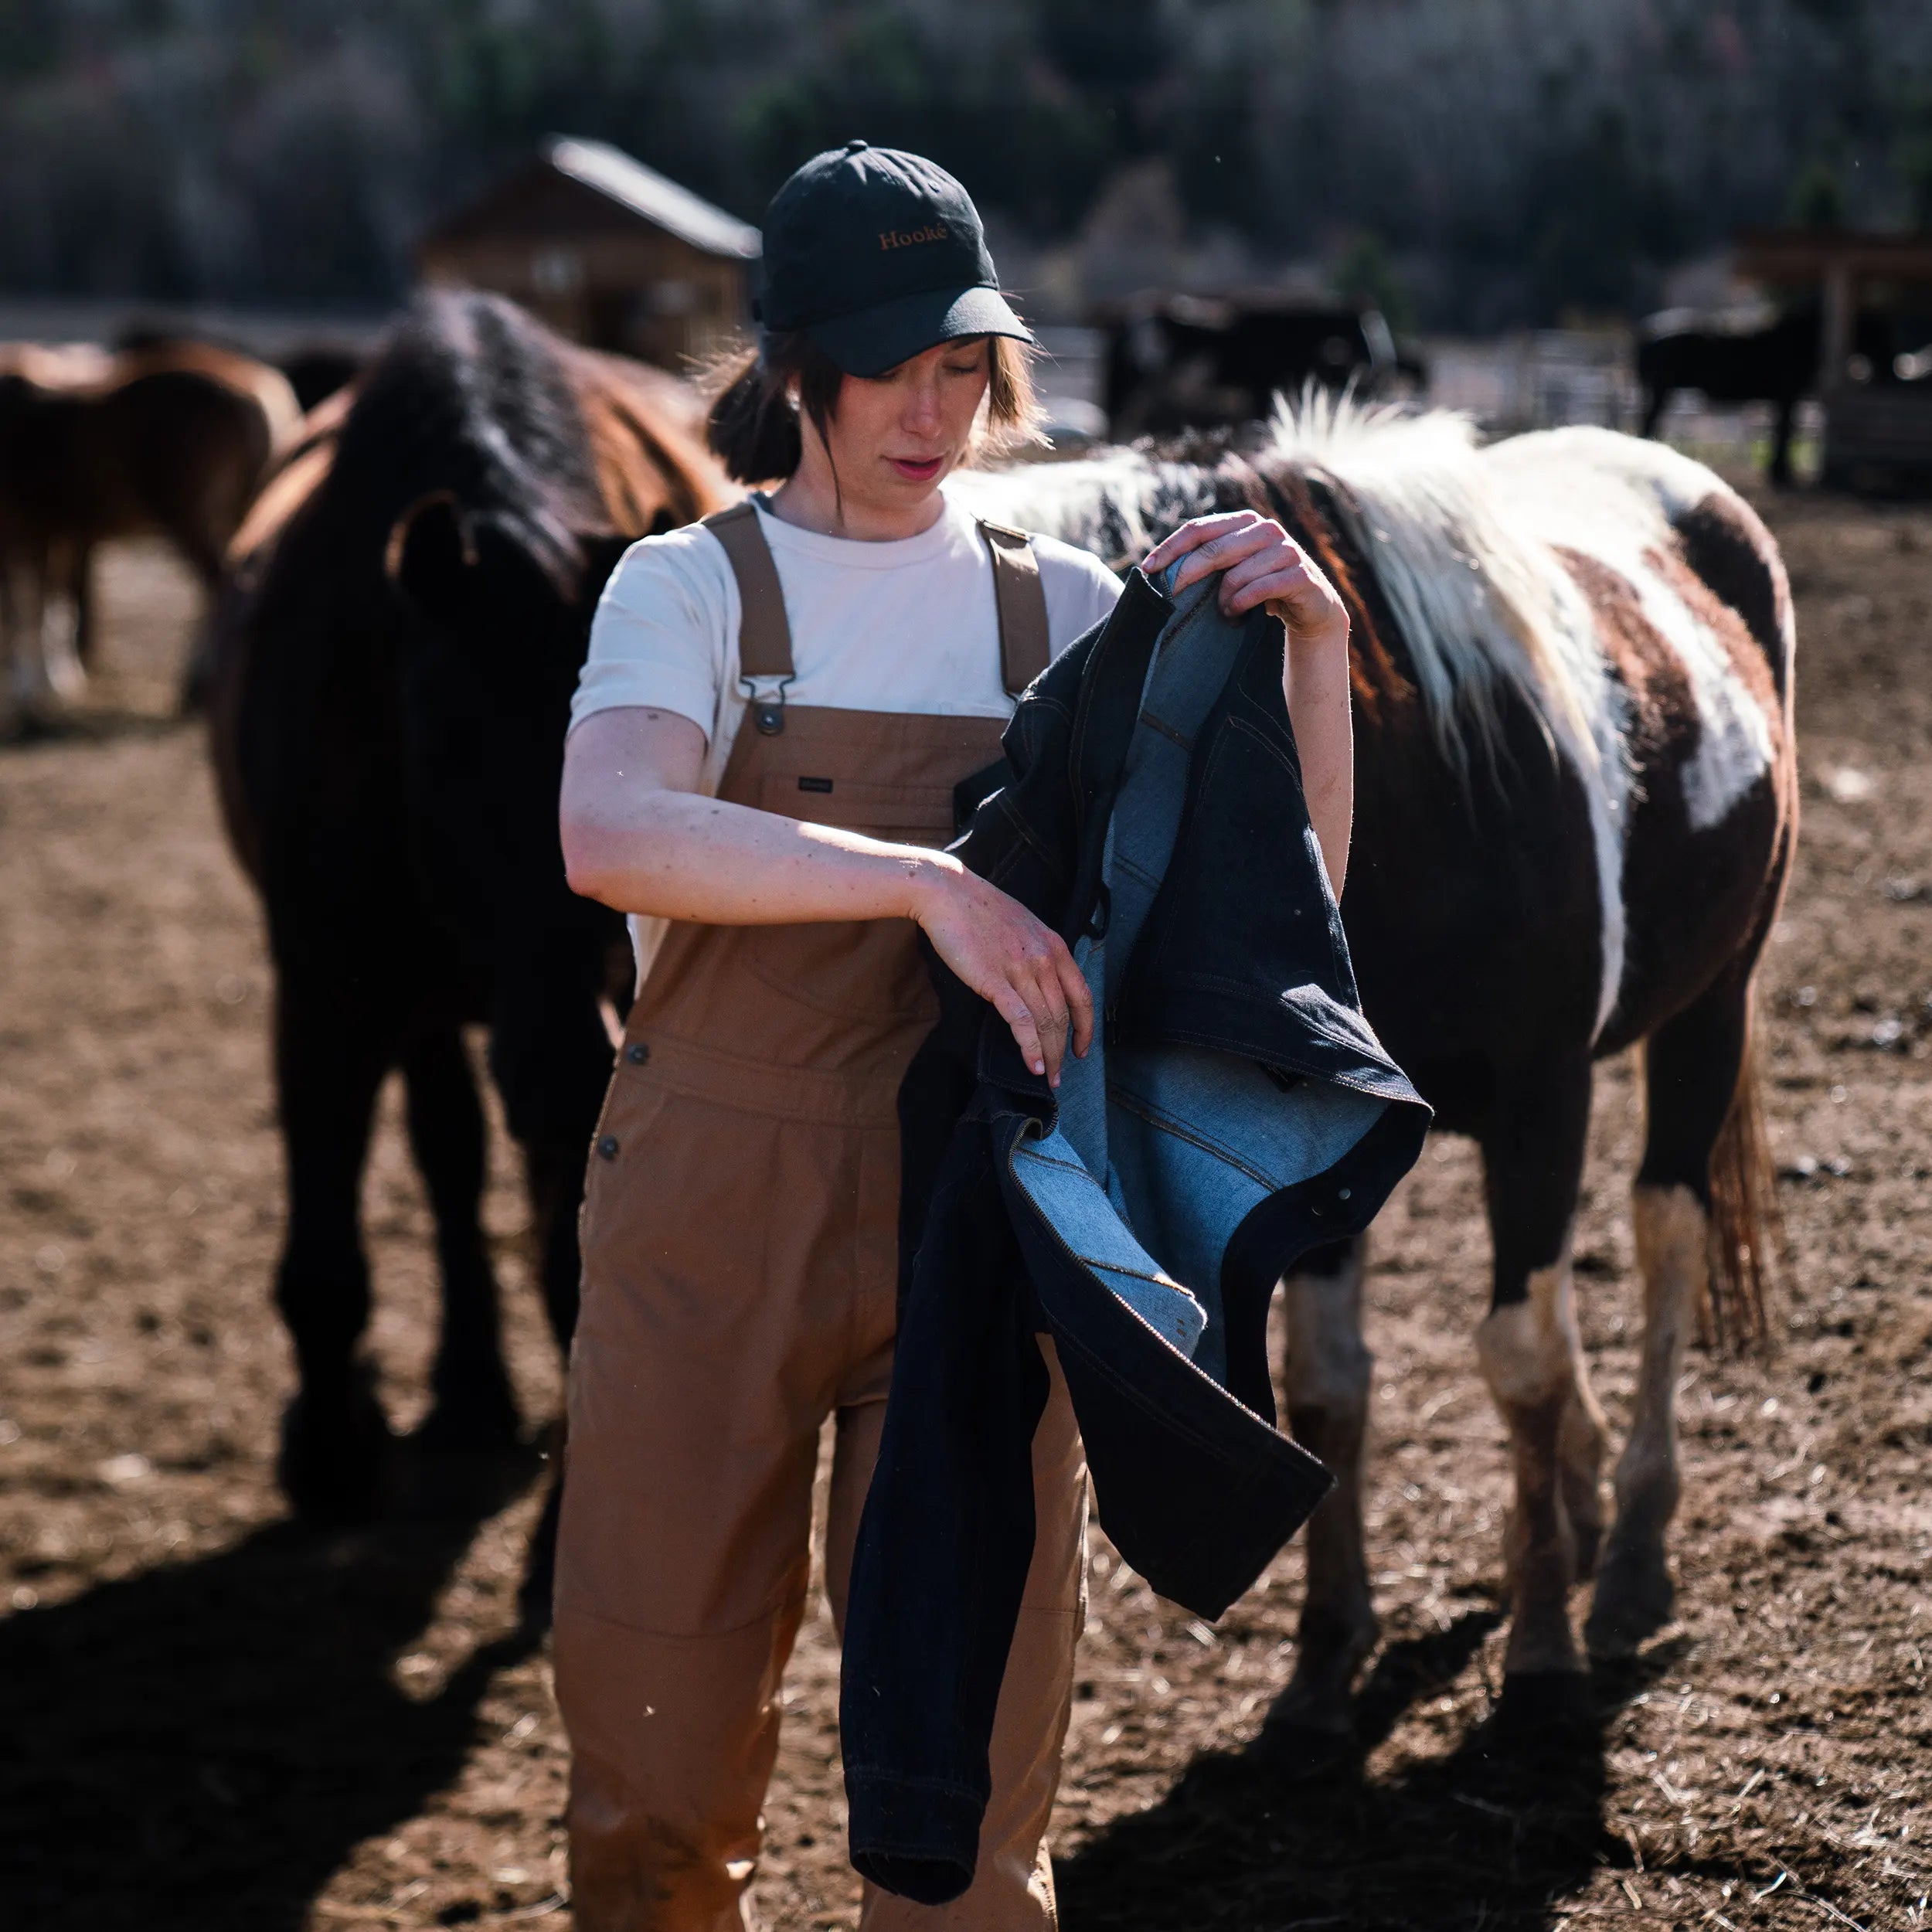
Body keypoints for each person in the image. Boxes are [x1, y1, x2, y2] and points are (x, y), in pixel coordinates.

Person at [554, 141, 1355, 1931]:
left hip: (978, 1237)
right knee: (659, 1772)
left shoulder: (1055, 611)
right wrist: (929, 883)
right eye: (889, 365)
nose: (932, 409)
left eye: (960, 365)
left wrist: (1310, 653)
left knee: (966, 1816)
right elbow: (609, 831)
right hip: (709, 1215)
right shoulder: (686, 591)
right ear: (789, 368)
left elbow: (1269, 913)